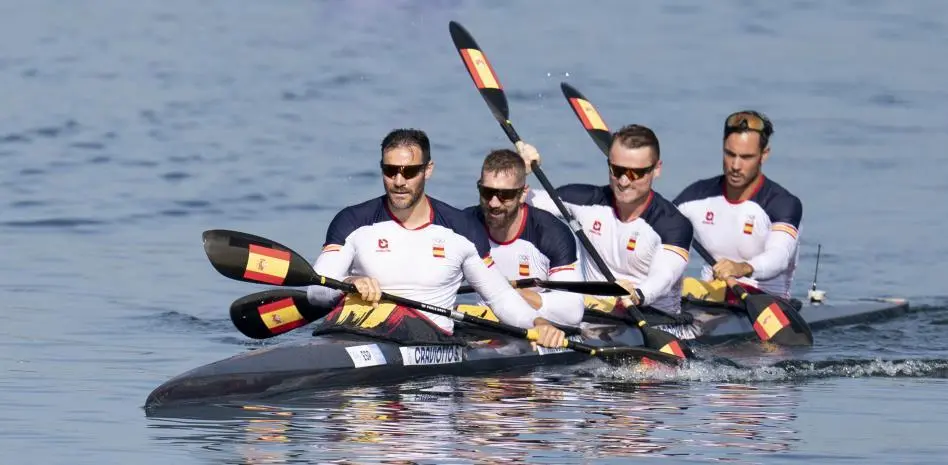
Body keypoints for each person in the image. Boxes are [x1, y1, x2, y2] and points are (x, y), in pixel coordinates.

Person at [305, 128, 566, 348]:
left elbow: (498, 297)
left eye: (409, 172)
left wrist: (538, 323)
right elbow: (316, 290)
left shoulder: (462, 230)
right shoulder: (352, 221)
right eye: (390, 170)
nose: (398, 180)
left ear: (428, 170)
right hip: (355, 333)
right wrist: (349, 281)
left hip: (426, 341)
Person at [515, 124, 694, 318]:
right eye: (617, 170)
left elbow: (664, 277)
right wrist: (519, 172)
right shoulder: (584, 200)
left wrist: (636, 294)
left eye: (635, 173)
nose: (624, 181)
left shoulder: (673, 224)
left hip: (655, 319)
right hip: (593, 315)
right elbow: (514, 203)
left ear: (656, 169)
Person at [673, 110, 802, 300]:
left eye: (746, 157)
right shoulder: (696, 196)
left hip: (765, 302)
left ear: (764, 155)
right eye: (729, 154)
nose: (735, 165)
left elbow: (779, 257)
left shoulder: (782, 204)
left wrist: (742, 268)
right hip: (708, 298)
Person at [463, 149, 584, 327]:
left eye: (505, 195)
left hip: (536, 326)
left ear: (523, 194)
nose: (494, 203)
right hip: (482, 325)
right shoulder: (465, 225)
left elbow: (572, 311)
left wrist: (503, 294)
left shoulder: (551, 233)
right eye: (487, 192)